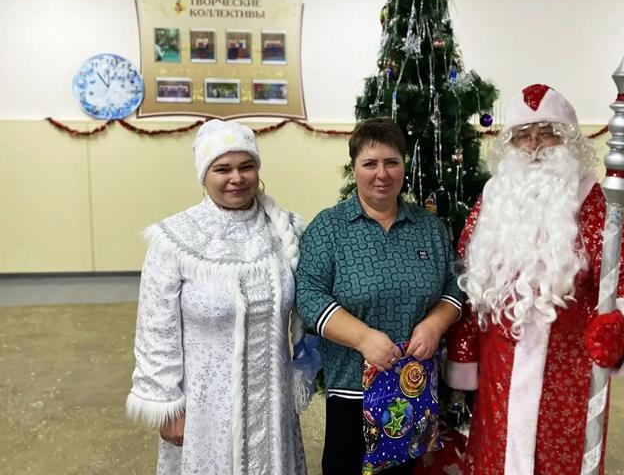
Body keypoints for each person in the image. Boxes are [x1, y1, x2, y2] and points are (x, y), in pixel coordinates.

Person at [446, 84, 624, 475]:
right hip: (497, 372)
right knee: (495, 456)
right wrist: (464, 353)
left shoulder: (593, 202)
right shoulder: (494, 197)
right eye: (523, 136)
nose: (534, 145)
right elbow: (468, 278)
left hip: (568, 374)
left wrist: (623, 324)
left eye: (546, 133)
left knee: (559, 460)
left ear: (568, 141)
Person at [126, 119, 308, 475]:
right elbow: (155, 330)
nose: (236, 178)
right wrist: (168, 407)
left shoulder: (286, 230)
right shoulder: (173, 240)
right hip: (205, 408)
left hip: (272, 403)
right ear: (204, 175)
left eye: (246, 166)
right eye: (222, 169)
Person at [295, 117, 463, 475]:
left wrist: (434, 325)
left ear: (404, 165)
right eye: (370, 163)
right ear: (354, 167)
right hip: (352, 390)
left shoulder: (430, 228)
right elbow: (308, 294)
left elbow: (454, 287)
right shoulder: (330, 227)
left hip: (413, 388)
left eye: (392, 162)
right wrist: (363, 339)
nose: (382, 174)